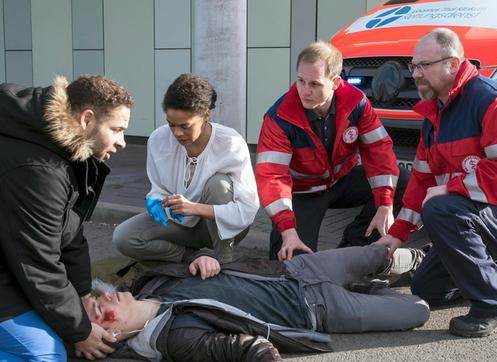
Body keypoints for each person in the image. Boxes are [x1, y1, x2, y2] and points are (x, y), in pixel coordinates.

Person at [376, 28, 497, 338]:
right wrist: (396, 236)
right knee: (427, 290)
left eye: (424, 66)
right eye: (413, 66)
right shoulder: (435, 115)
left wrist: (450, 189)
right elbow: (421, 180)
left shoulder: (495, 101)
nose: (415, 74)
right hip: (488, 214)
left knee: (441, 210)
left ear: (453, 63)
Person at [83, 245, 430, 361]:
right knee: (417, 311)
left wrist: (203, 255)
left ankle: (420, 259)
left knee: (377, 253)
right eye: (101, 311)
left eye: (97, 298)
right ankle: (370, 289)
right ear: (110, 337)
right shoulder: (177, 339)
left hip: (295, 269)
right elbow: (251, 350)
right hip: (317, 309)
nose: (106, 297)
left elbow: (195, 252)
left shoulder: (149, 282)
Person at [0, 75, 133, 360]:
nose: (122, 142)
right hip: (12, 264)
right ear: (87, 119)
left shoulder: (64, 150)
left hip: (12, 255)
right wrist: (80, 331)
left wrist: (83, 295)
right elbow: (39, 265)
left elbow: (70, 232)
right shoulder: (39, 170)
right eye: (117, 129)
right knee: (45, 354)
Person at [256, 40, 409, 261]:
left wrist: (385, 205)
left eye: (314, 84)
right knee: (293, 261)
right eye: (300, 81)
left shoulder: (357, 102)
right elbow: (272, 176)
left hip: (341, 182)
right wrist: (287, 228)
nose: (305, 91)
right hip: (302, 193)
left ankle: (350, 251)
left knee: (402, 181)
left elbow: (379, 151)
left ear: (336, 82)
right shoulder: (279, 117)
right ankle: (289, 248)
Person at [113, 74, 259, 271]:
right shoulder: (158, 139)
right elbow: (158, 188)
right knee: (124, 237)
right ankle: (193, 257)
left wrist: (195, 208)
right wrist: (156, 199)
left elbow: (247, 210)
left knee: (219, 184)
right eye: (171, 124)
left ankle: (224, 262)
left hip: (220, 228)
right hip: (179, 225)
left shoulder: (230, 143)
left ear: (206, 115)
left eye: (185, 126)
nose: (177, 133)